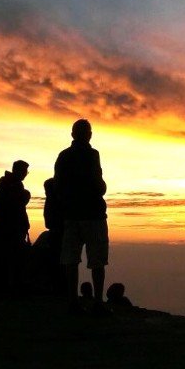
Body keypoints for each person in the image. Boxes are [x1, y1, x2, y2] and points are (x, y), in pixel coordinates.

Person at [54, 118, 110, 315]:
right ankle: (97, 303)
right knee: (97, 260)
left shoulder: (63, 156)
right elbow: (98, 184)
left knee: (71, 259)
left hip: (71, 215)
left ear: (72, 135)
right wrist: (101, 188)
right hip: (93, 215)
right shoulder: (92, 154)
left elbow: (58, 185)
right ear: (89, 135)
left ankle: (72, 302)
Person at [0, 160, 31, 294]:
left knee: (6, 258)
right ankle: (6, 287)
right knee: (7, 258)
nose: (26, 174)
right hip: (8, 229)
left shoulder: (8, 185)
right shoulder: (9, 186)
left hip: (7, 228)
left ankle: (4, 287)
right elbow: (12, 208)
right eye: (25, 171)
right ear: (18, 171)